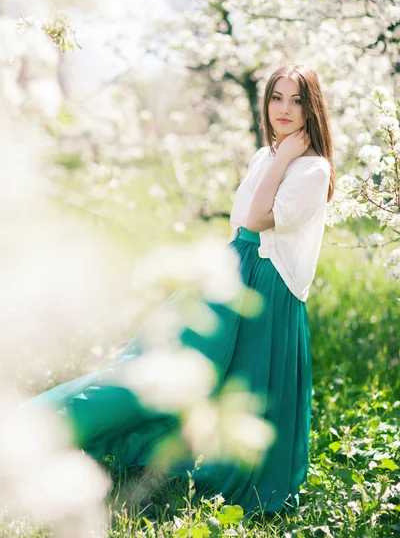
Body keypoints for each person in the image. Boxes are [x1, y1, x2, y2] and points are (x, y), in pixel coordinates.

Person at [28, 63, 335, 516]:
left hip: (271, 286)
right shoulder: (264, 156)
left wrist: (287, 158)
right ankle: (41, 427)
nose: (284, 110)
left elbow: (256, 219)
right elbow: (243, 225)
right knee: (156, 367)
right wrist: (277, 158)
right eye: (276, 98)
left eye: (295, 100)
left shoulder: (312, 170)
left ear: (312, 108)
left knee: (241, 385)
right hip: (236, 273)